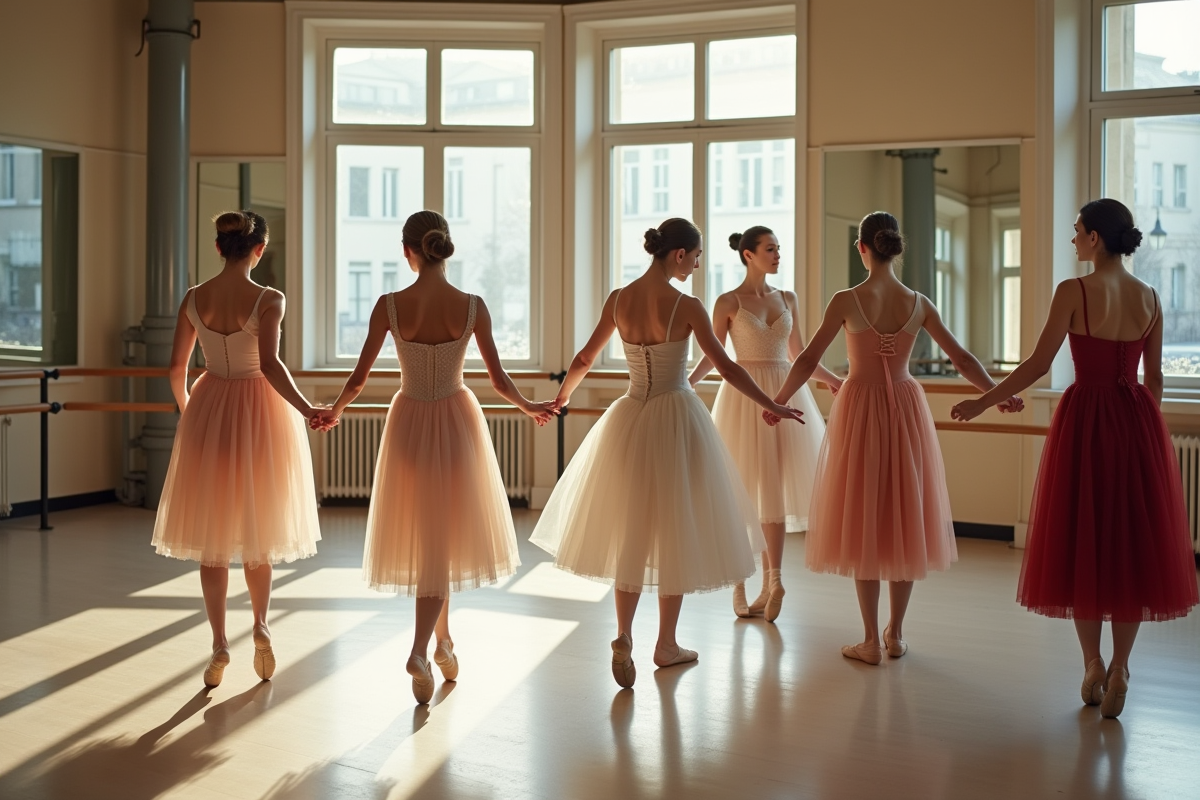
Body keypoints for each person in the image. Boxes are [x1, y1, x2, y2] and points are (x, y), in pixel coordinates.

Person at [530, 218, 804, 688]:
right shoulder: (688, 305)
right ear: (679, 254)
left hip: (630, 416)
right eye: (696, 257)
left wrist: (561, 399)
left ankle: (622, 634)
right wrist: (772, 402)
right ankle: (666, 643)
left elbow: (582, 359)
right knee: (674, 527)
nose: (697, 266)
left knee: (634, 530)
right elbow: (729, 368)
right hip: (677, 418)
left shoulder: (619, 299)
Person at [951, 199, 1198, 717]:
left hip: (1086, 418)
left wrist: (985, 398)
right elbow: (1153, 380)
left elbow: (1040, 363)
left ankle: (1091, 663)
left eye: (1076, 231)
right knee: (1130, 545)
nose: (1072, 240)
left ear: (1095, 239)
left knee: (1081, 537)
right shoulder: (1149, 296)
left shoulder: (1074, 291)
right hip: (1136, 422)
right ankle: (1122, 669)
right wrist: (1145, 433)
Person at [311, 210, 555, 705]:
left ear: (409, 251)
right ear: (445, 248)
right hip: (457, 421)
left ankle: (444, 642)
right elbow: (499, 380)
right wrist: (529, 406)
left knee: (432, 539)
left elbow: (358, 379)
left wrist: (332, 411)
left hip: (408, 422)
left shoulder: (389, 305)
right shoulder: (472, 305)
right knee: (439, 543)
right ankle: (421, 649)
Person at [765, 210, 1022, 665]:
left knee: (863, 514)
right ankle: (896, 634)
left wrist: (778, 400)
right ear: (893, 248)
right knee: (905, 512)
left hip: (860, 406)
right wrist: (994, 393)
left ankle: (868, 639)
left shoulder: (847, 299)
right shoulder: (918, 302)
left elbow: (805, 359)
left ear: (862, 247)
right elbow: (961, 358)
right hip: (905, 408)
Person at [152, 210, 323, 688]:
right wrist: (309, 409)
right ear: (259, 250)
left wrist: (191, 412)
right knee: (258, 527)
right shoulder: (269, 298)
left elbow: (174, 370)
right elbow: (269, 364)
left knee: (213, 537)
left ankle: (219, 643)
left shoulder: (193, 298)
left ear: (218, 248)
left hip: (210, 405)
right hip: (259, 409)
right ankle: (262, 626)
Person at [689, 227, 842, 621]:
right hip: (743, 396)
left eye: (778, 249)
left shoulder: (787, 297)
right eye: (770, 249)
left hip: (784, 395)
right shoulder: (727, 301)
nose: (777, 255)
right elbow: (715, 356)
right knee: (744, 489)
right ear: (748, 255)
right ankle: (744, 581)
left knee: (772, 489)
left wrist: (831, 380)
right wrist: (687, 382)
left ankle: (773, 582)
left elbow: (801, 355)